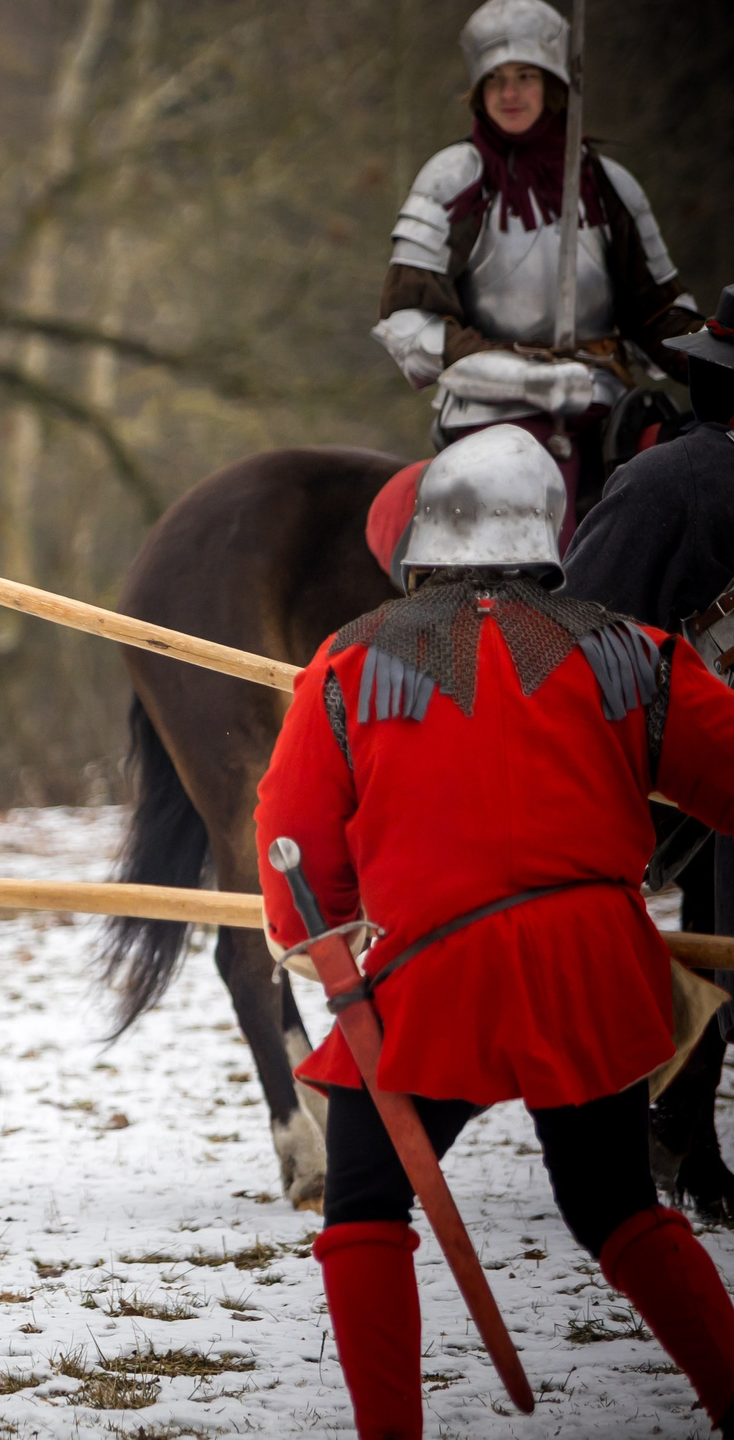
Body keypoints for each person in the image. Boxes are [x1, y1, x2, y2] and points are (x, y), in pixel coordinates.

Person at [255, 424, 734, 1437]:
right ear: (550, 531)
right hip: (595, 970)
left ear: (426, 533)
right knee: (614, 1202)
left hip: (438, 971)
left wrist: (328, 930)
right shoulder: (630, 651)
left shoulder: (349, 661)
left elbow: (291, 837)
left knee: (363, 1204)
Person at [372, 0, 698, 541]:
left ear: (551, 85)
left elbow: (657, 311)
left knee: (691, 482)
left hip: (606, 404)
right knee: (542, 521)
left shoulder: (609, 184)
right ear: (479, 92)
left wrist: (716, 356)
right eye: (496, 80)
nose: (510, 93)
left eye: (525, 76)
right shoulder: (454, 178)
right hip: (494, 409)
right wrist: (530, 379)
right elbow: (408, 320)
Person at [566, 284, 734, 1216]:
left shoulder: (663, 482)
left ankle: (671, 1120)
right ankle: (677, 1123)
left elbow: (577, 635)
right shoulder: (667, 480)